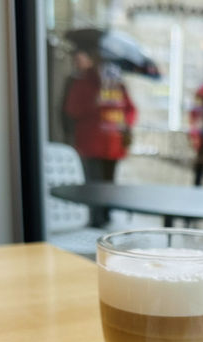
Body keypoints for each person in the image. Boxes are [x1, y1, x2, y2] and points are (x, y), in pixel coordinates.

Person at [64, 50, 137, 226]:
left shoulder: (118, 85)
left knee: (109, 182)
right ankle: (95, 218)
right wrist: (93, 103)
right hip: (91, 144)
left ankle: (106, 214)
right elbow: (72, 110)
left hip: (113, 144)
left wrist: (124, 121)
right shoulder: (83, 83)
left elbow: (131, 110)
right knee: (94, 182)